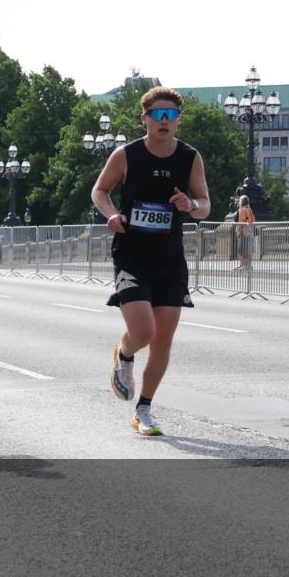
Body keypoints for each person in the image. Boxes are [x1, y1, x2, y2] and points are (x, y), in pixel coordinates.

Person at [90, 86, 210, 437]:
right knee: (143, 331)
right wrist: (111, 214)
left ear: (177, 120)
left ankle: (144, 409)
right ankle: (124, 354)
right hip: (132, 254)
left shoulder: (189, 157)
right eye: (157, 114)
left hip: (170, 257)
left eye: (170, 115)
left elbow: (205, 204)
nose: (164, 121)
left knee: (162, 341)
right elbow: (100, 191)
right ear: (144, 118)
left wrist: (192, 206)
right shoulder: (126, 155)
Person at [235, 195, 256, 270]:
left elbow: (241, 221)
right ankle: (248, 265)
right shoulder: (249, 209)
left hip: (243, 232)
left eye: (240, 200)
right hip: (249, 231)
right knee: (248, 249)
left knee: (241, 249)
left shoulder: (242, 210)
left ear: (242, 202)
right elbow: (253, 220)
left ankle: (243, 265)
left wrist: (239, 231)